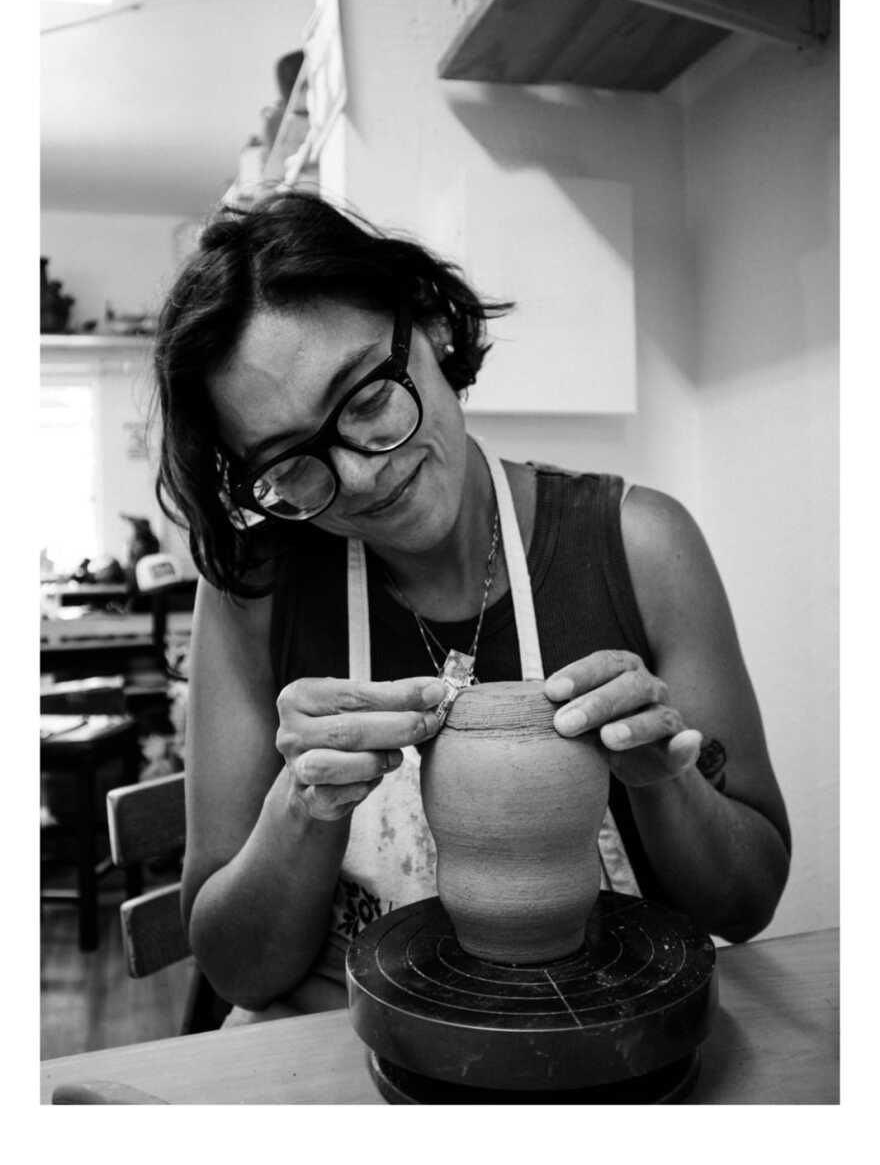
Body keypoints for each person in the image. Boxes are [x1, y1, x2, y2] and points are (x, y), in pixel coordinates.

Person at [153, 188, 790, 1021]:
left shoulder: (642, 548)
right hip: (339, 1047)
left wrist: (664, 783)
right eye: (292, 462)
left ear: (430, 325)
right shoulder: (255, 593)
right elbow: (236, 969)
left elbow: (748, 903)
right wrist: (301, 808)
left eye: (368, 396)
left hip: (597, 1036)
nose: (358, 474)